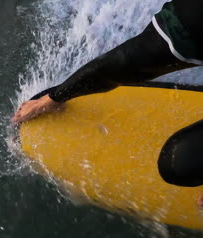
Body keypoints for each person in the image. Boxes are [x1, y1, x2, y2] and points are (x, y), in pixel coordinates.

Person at [12, 0, 203, 207]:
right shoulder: (194, 19)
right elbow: (126, 62)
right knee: (180, 162)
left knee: (183, 162)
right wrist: (53, 98)